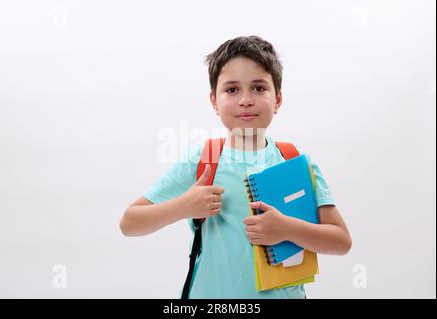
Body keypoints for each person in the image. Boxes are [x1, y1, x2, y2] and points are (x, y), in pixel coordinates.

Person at [119, 35, 352, 299]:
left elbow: (341, 241)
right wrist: (184, 206)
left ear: (278, 99)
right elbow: (130, 223)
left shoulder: (295, 161)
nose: (245, 100)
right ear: (213, 101)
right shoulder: (203, 160)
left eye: (258, 88)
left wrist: (287, 229)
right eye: (232, 90)